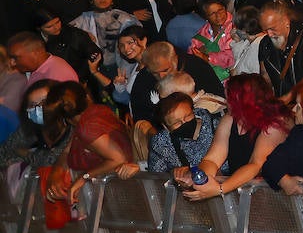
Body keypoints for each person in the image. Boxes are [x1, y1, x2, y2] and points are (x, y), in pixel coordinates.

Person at [175, 74, 293, 201]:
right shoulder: (230, 119)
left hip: (278, 196)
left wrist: (220, 189)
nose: (226, 102)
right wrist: (202, 180)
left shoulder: (275, 123)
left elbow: (256, 165)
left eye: (229, 99)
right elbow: (212, 160)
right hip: (245, 194)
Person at [40, 81, 134, 211]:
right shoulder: (88, 118)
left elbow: (119, 159)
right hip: (108, 195)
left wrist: (83, 177)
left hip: (116, 196)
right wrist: (56, 173)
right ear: (87, 96)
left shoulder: (88, 128)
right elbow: (67, 152)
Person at [132, 92, 218, 177]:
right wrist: (173, 173)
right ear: (165, 126)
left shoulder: (215, 125)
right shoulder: (161, 143)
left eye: (188, 116)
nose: (184, 123)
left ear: (193, 110)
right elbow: (156, 175)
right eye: (177, 123)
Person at [257, 0, 303, 98]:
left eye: (272, 28)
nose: (269, 34)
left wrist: (288, 98)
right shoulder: (265, 44)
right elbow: (265, 77)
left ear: (286, 21)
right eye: (265, 30)